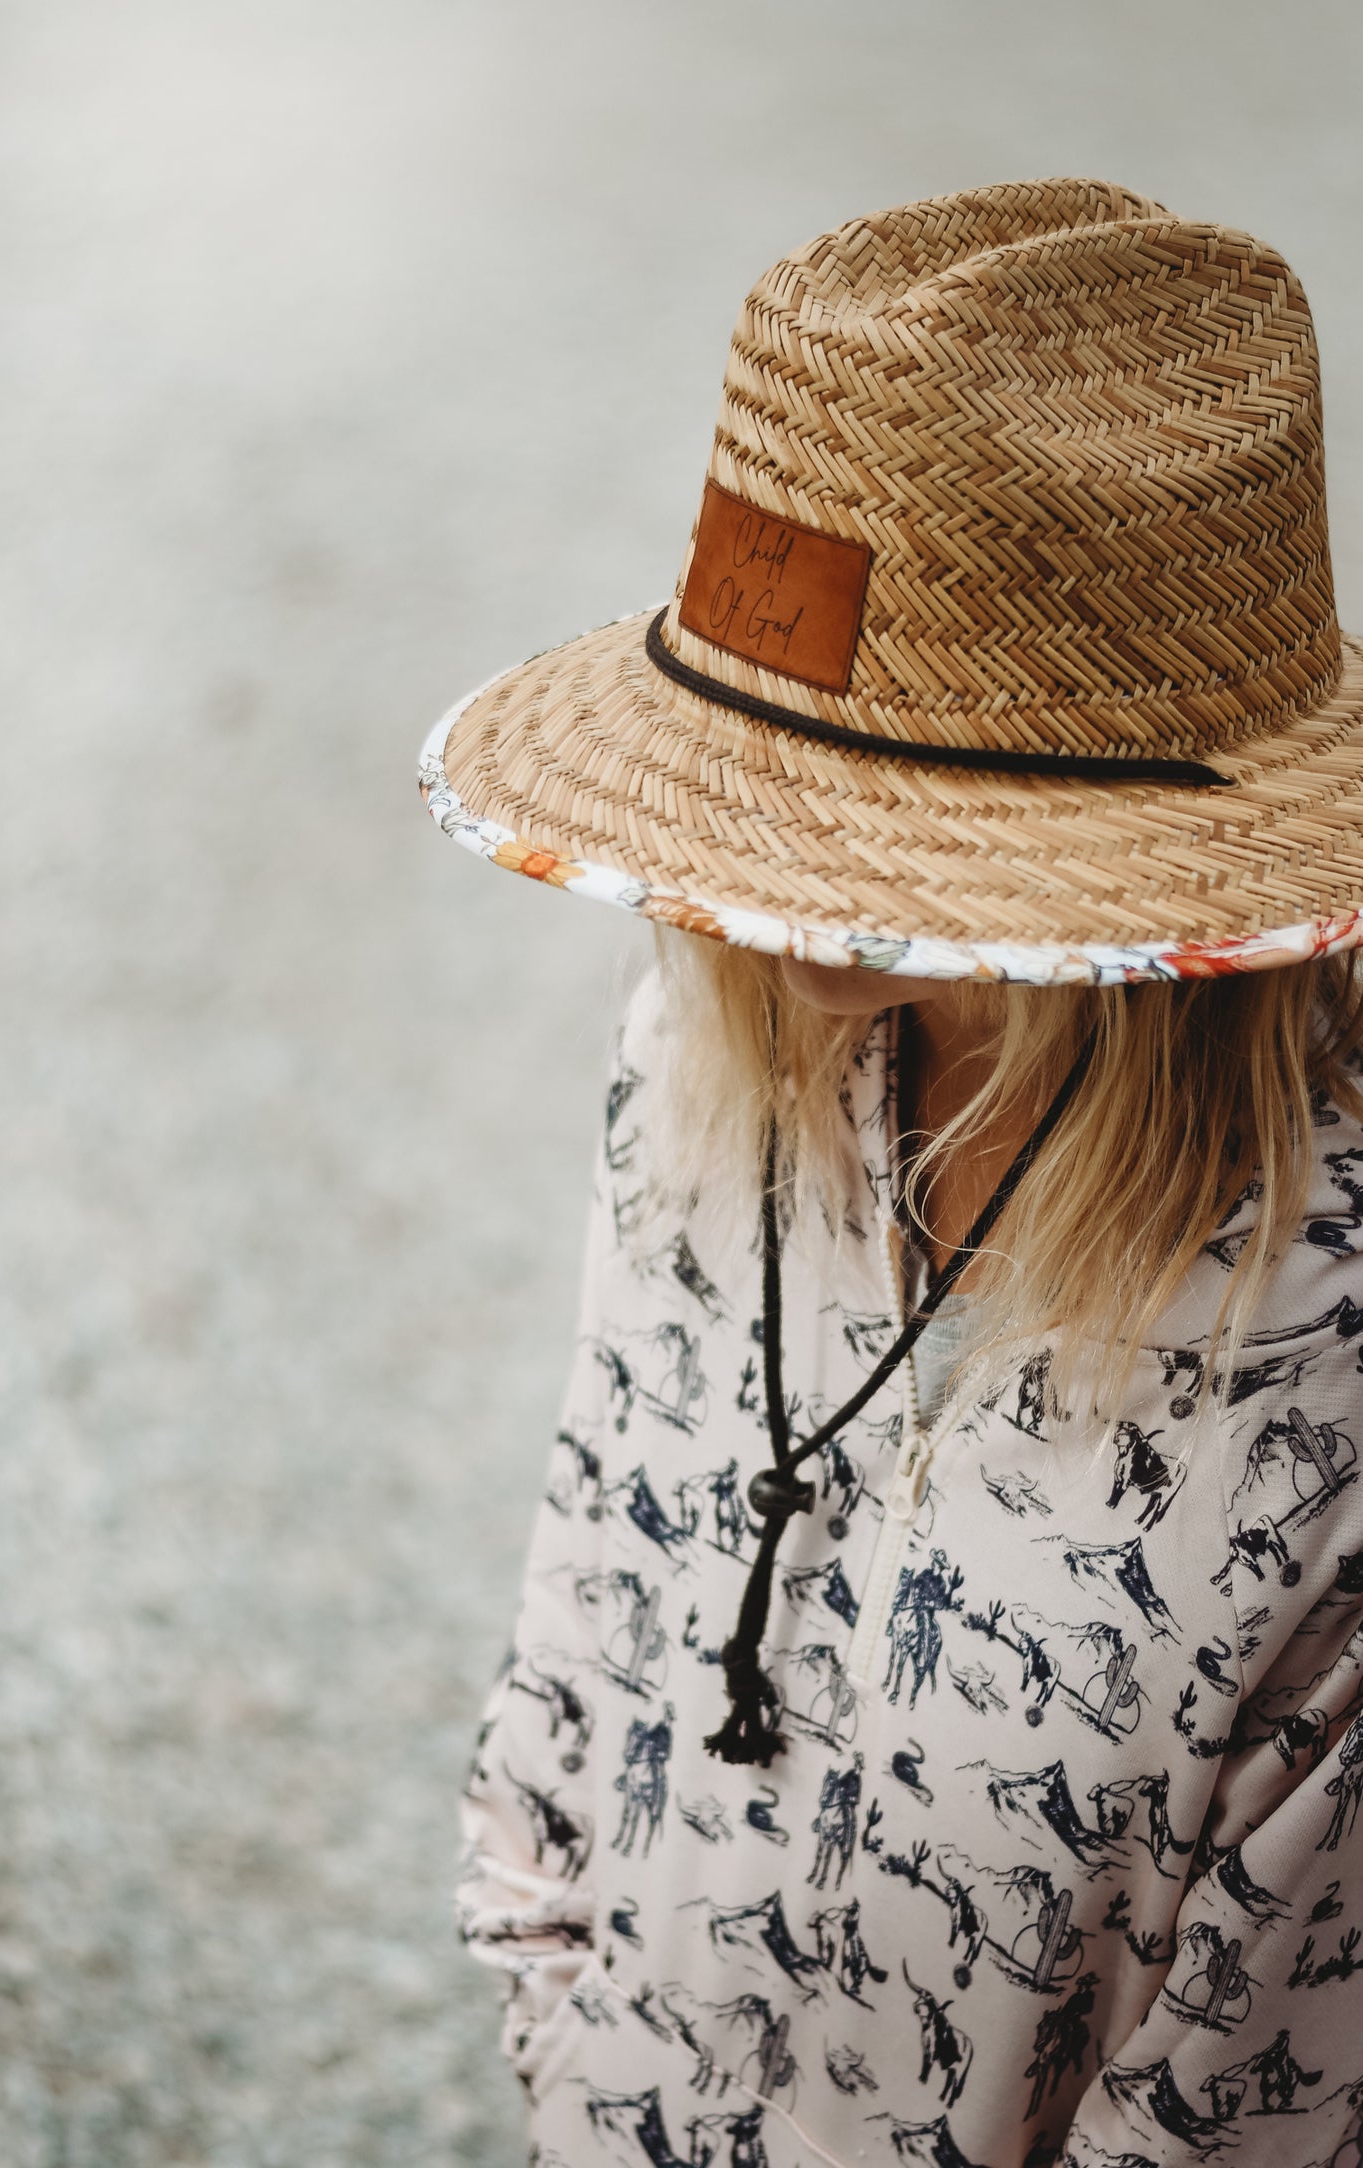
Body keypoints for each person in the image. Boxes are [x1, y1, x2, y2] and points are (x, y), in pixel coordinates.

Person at [420, 180, 1363, 2167]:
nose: (788, 896)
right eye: (784, 788)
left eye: (898, 801)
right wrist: (567, 2042)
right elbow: (599, 1575)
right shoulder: (718, 1016)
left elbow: (1250, 2082)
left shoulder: (1328, 1360)